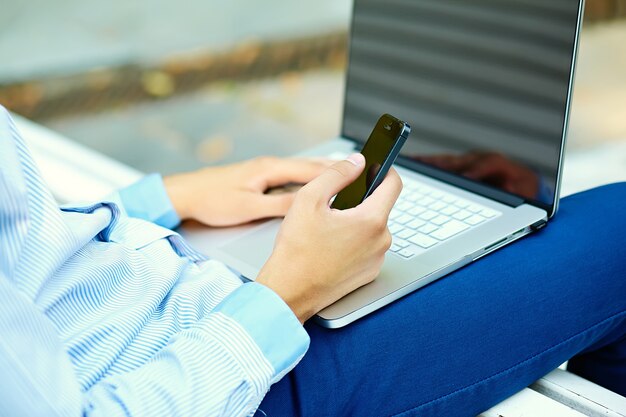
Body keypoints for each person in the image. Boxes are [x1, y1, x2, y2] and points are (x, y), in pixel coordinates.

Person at [0, 105, 624, 417]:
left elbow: (20, 244)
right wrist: (288, 294)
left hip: (167, 297)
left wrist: (168, 199)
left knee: (511, 192)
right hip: (228, 382)